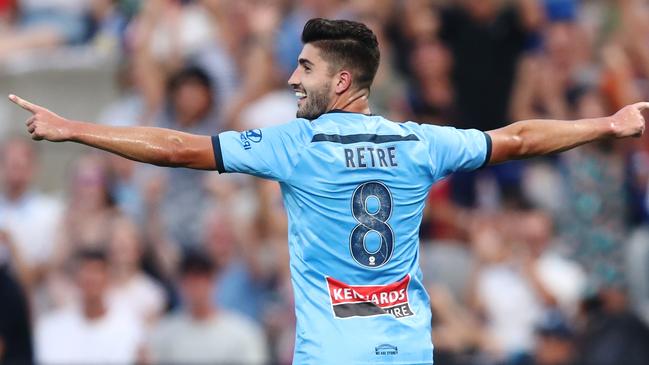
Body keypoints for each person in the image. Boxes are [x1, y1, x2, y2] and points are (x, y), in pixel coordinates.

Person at [7, 18, 647, 365]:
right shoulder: (419, 142)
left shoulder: (295, 145)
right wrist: (607, 123)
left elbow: (178, 148)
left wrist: (74, 129)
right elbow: (522, 137)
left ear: (343, 81)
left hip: (333, 351)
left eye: (305, 68)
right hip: (406, 347)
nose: (291, 77)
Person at [146, 249, 268, 364]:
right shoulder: (163, 335)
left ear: (214, 282)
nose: (197, 286)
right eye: (190, 280)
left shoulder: (243, 333)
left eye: (202, 279)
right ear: (180, 284)